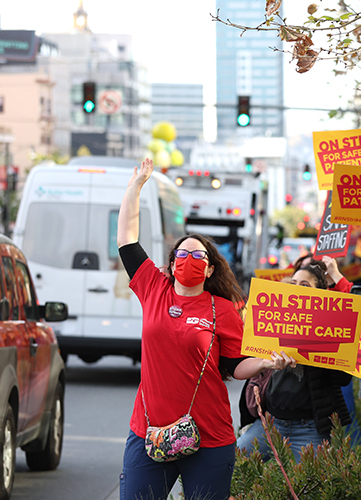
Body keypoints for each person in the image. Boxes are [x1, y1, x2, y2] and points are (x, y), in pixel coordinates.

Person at [117, 159, 289, 500]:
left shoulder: (222, 309)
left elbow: (235, 367)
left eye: (197, 256)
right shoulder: (153, 287)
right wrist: (135, 188)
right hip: (149, 432)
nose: (188, 259)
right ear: (171, 262)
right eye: (182, 253)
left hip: (209, 436)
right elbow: (126, 239)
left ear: (209, 269)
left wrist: (267, 362)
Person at [237, 263, 353, 462]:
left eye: (305, 285)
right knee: (233, 462)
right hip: (269, 424)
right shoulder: (277, 319)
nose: (297, 288)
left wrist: (321, 344)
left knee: (313, 487)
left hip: (308, 429)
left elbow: (343, 378)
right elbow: (248, 362)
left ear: (321, 294)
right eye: (293, 283)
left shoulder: (331, 328)